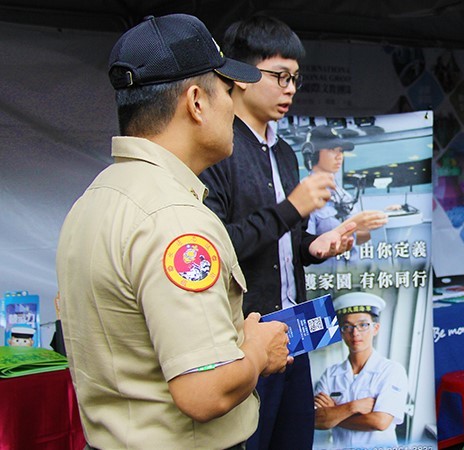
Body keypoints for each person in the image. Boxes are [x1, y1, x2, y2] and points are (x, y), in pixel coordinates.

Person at [55, 14, 292, 449]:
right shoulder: (174, 218)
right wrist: (258, 350)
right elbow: (205, 391)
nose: (232, 106)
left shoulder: (94, 200)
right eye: (227, 90)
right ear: (197, 101)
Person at [198, 14, 354, 450]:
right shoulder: (217, 148)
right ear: (240, 76)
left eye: (295, 79)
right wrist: (292, 208)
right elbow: (217, 249)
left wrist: (315, 247)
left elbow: (286, 242)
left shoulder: (284, 152)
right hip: (244, 343)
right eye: (280, 76)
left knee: (294, 440)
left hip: (294, 335)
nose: (289, 89)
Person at [313, 292, 409, 449]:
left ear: (375, 328)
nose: (355, 333)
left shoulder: (392, 371)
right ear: (341, 332)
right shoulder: (330, 375)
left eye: (363, 325)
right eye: (347, 326)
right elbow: (316, 420)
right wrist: (353, 407)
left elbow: (379, 422)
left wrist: (333, 414)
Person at [303, 125, 388, 247]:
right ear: (313, 154)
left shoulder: (341, 193)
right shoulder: (304, 194)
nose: (339, 156)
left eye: (341, 151)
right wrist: (354, 223)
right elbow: (306, 247)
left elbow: (355, 238)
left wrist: (383, 218)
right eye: (332, 149)